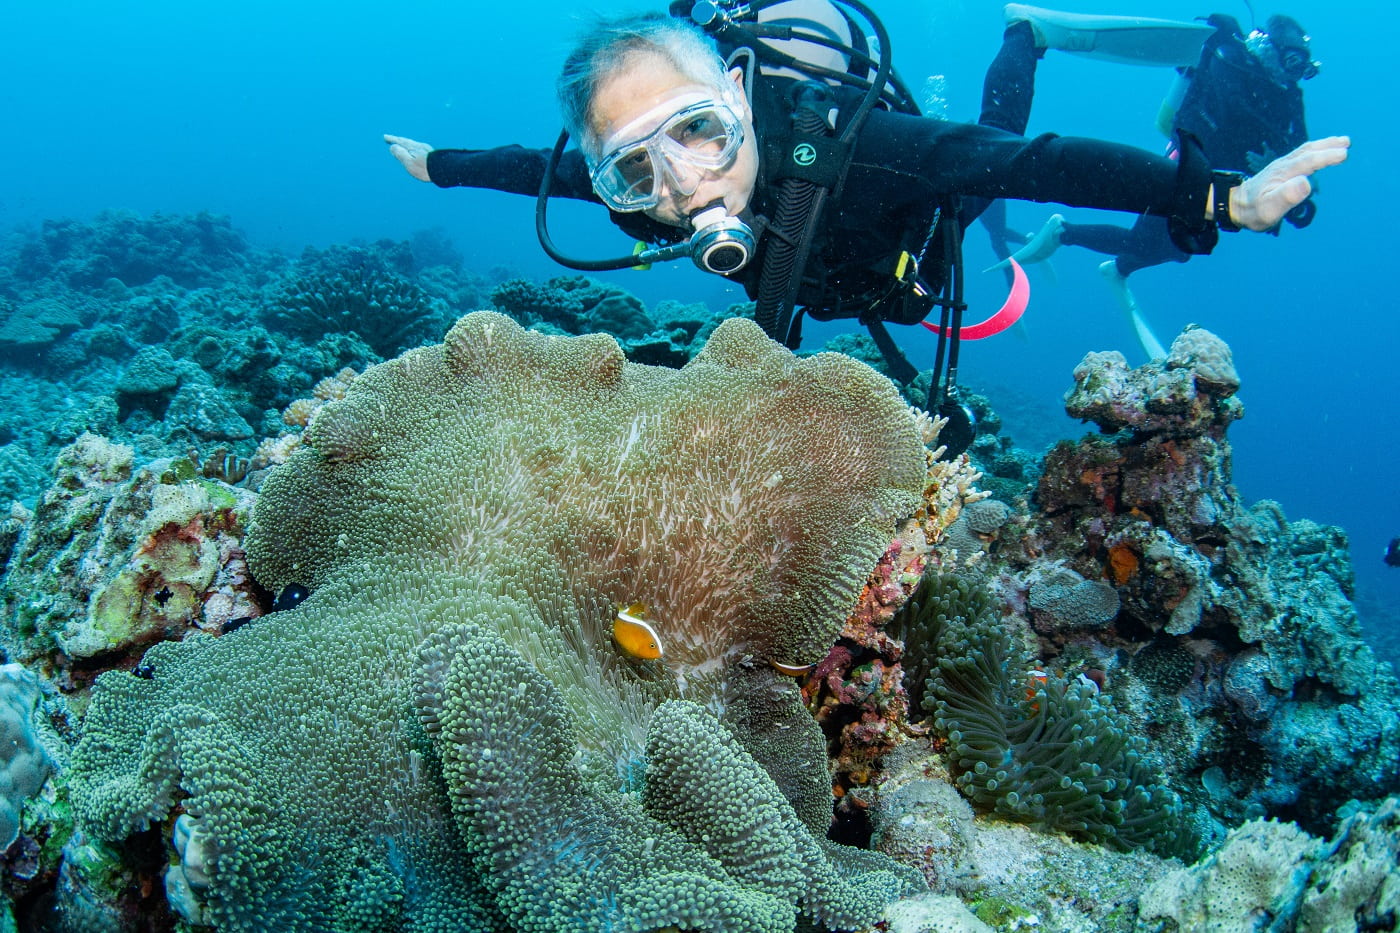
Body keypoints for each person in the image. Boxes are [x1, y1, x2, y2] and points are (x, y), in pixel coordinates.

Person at [384, 3, 1344, 376]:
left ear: (738, 99)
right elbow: (530, 170)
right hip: (828, 285)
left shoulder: (865, 146)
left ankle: (1028, 35)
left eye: (697, 131)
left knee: (995, 144)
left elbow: (1039, 160)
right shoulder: (647, 193)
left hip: (917, 224)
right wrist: (441, 164)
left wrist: (1214, 198)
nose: (680, 183)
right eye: (633, 165)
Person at [992, 9, 1320, 353]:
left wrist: (1278, 168)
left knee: (1178, 250)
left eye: (1302, 67)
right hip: (1186, 166)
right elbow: (1196, 63)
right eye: (1292, 60)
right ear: (1271, 47)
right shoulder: (1230, 57)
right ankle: (1067, 234)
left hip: (1220, 188)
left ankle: (1112, 266)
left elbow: (1303, 162)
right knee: (1145, 242)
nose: (1294, 72)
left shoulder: (1288, 99)